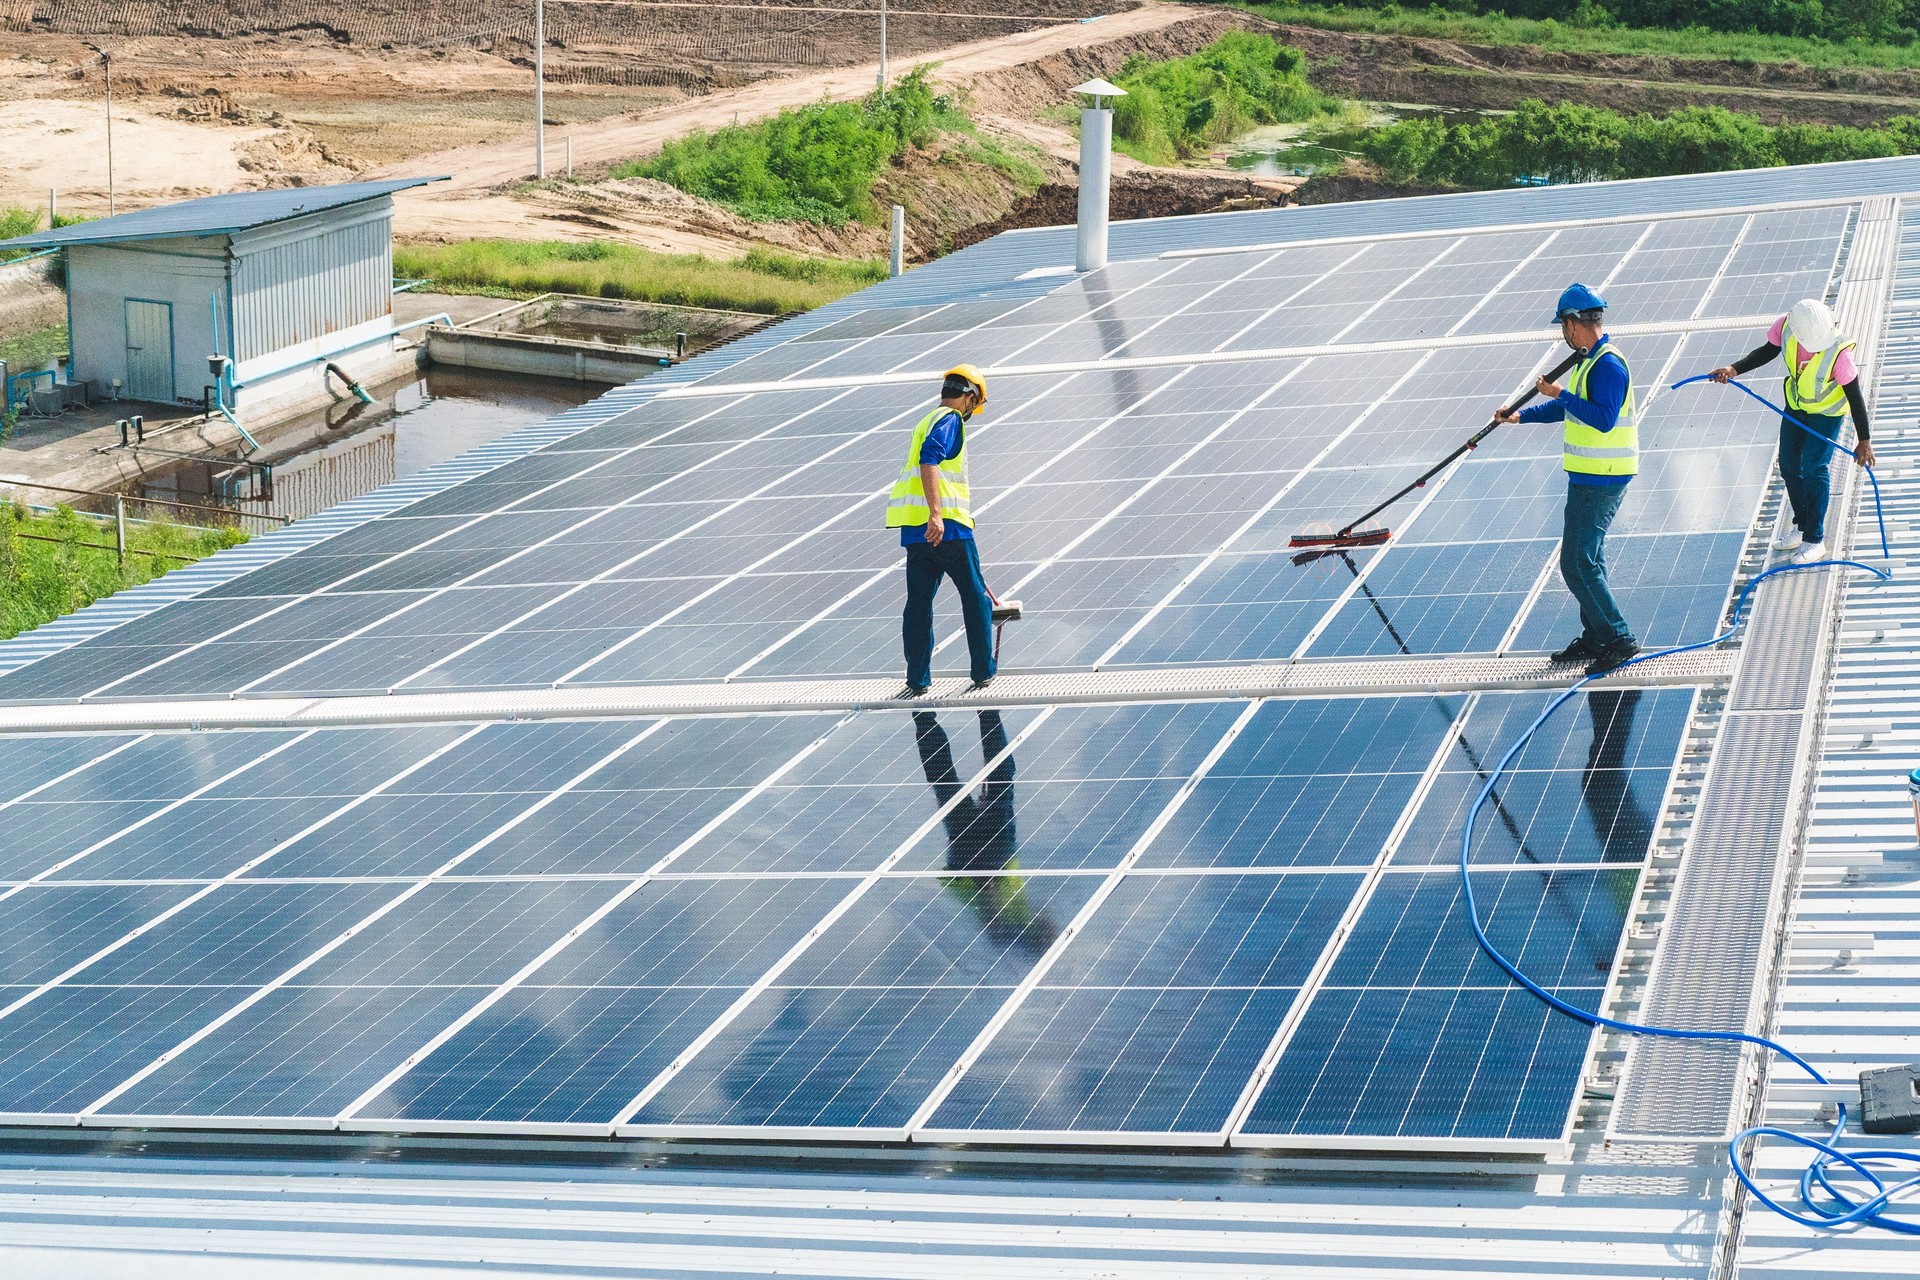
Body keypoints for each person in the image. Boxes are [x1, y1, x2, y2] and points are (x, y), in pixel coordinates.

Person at [1496, 283, 1640, 675]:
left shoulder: (1607, 364)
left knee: (1576, 562)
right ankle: (1596, 634)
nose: (1562, 331)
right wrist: (1521, 416)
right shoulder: (1587, 360)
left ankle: (1618, 636)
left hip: (1603, 477)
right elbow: (1571, 411)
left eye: (1563, 323)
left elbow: (1603, 419)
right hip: (1589, 475)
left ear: (1575, 323)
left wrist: (1560, 393)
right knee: (1588, 557)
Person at [1711, 298, 1875, 564]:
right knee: (1788, 465)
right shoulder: (1786, 327)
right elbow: (1767, 351)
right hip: (1797, 405)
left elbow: (1855, 397)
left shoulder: (1840, 354)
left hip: (1827, 414)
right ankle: (1802, 527)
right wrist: (1734, 369)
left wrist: (1864, 440)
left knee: (1813, 466)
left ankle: (1815, 539)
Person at [886, 364, 996, 696]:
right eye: (974, 404)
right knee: (976, 596)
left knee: (918, 603)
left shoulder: (926, 420)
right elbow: (929, 460)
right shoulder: (949, 420)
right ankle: (982, 671)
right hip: (946, 528)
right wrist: (937, 513)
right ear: (970, 397)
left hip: (915, 530)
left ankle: (917, 679)